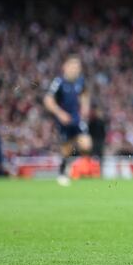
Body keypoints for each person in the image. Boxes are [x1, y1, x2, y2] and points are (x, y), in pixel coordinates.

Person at [43, 55, 92, 186]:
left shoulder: (80, 81)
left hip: (77, 119)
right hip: (64, 120)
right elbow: (48, 99)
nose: (76, 69)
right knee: (66, 149)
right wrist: (60, 113)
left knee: (86, 144)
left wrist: (85, 107)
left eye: (78, 67)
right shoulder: (58, 82)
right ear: (65, 67)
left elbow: (85, 94)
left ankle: (75, 166)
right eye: (73, 66)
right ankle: (63, 171)